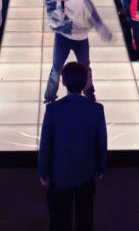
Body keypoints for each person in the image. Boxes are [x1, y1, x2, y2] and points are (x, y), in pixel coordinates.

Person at [38, 62, 107, 231]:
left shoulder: (53, 109)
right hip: (86, 171)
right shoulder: (96, 109)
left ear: (63, 81)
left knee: (59, 217)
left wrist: (43, 171)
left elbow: (46, 144)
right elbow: (101, 142)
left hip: (60, 172)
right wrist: (101, 167)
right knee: (85, 214)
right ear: (85, 83)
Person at [44, 0, 113, 103]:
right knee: (56, 67)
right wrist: (60, 5)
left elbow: (93, 13)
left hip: (81, 39)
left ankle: (89, 94)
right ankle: (49, 97)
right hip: (62, 37)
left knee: (85, 67)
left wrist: (101, 28)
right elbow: (54, 23)